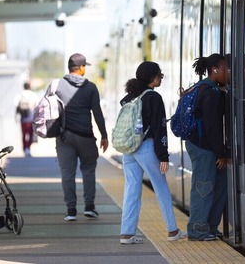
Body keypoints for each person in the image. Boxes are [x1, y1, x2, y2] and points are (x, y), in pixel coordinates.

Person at [119, 61, 188, 244]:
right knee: (161, 187)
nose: (161, 78)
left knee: (131, 188)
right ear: (152, 78)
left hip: (129, 148)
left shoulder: (130, 97)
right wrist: (163, 155)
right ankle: (173, 230)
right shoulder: (153, 97)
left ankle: (127, 234)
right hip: (146, 147)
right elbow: (159, 128)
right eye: (159, 75)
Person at [54, 53, 109, 221]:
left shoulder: (57, 86)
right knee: (88, 170)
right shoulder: (90, 87)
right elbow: (97, 113)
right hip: (85, 136)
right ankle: (89, 207)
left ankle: (71, 211)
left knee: (67, 173)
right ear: (82, 67)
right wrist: (104, 135)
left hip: (64, 137)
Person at [185, 53, 230, 241]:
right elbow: (212, 127)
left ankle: (210, 226)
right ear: (215, 70)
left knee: (218, 186)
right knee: (203, 188)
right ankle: (197, 230)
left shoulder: (209, 89)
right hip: (204, 148)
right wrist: (220, 153)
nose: (228, 72)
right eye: (225, 69)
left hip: (205, 146)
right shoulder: (208, 93)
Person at [16, 81, 37, 157]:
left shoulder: (20, 95)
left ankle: (24, 149)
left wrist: (15, 117)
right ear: (29, 87)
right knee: (30, 134)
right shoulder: (33, 95)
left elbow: (16, 106)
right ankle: (28, 149)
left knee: (24, 134)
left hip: (23, 118)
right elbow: (36, 106)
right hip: (31, 118)